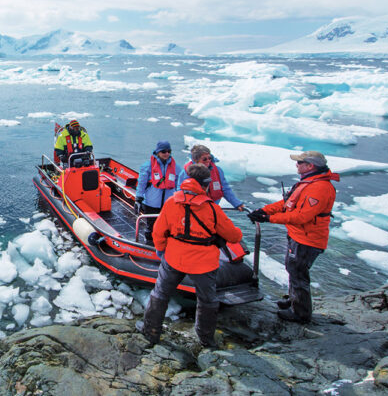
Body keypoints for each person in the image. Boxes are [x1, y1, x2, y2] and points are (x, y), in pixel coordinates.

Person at [140, 163, 243, 347]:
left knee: (160, 293)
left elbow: (158, 231)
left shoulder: (172, 202)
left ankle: (150, 332)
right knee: (207, 300)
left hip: (174, 258)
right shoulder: (212, 209)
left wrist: (161, 250)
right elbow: (233, 235)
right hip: (203, 264)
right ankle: (206, 340)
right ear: (206, 184)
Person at [248, 151, 340, 323]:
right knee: (293, 268)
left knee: (298, 273)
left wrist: (268, 219)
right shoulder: (308, 183)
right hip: (299, 236)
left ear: (310, 166)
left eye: (299, 163)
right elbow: (288, 203)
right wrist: (265, 211)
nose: (296, 165)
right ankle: (293, 300)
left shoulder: (319, 188)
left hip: (308, 239)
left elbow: (301, 216)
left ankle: (301, 313)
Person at [177, 144, 245, 211]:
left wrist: (237, 204)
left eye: (209, 158)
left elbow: (225, 189)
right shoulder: (187, 172)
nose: (208, 160)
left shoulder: (217, 171)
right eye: (204, 159)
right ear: (196, 160)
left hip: (212, 208)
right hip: (194, 209)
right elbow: (181, 190)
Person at [134, 141, 177, 240]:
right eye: (163, 151)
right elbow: (141, 183)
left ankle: (165, 248)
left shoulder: (176, 167)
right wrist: (138, 199)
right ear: (158, 152)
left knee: (167, 228)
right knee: (152, 227)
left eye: (168, 151)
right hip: (151, 203)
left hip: (168, 204)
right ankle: (149, 244)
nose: (166, 154)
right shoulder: (148, 166)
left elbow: (179, 184)